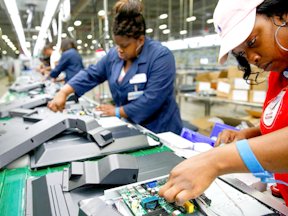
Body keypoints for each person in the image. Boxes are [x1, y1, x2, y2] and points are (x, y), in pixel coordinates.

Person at [159, 0, 288, 206]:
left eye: (253, 41)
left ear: (282, 15)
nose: (252, 58)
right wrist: (248, 134)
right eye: (242, 54)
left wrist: (215, 161)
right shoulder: (278, 75)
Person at [48, 0, 182, 135]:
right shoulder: (114, 55)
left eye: (124, 46)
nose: (119, 50)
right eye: (117, 44)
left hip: (161, 130)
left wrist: (117, 111)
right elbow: (92, 74)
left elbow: (152, 99)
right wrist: (63, 92)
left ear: (140, 40)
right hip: (132, 127)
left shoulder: (160, 56)